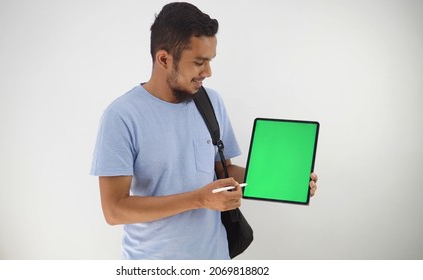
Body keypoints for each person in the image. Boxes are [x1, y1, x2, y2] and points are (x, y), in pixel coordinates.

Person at [90, 2, 318, 260]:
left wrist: (285, 180)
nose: (208, 72)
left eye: (210, 61)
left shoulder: (210, 101)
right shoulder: (121, 116)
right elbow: (115, 210)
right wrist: (198, 199)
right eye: (199, 62)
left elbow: (223, 171)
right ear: (164, 59)